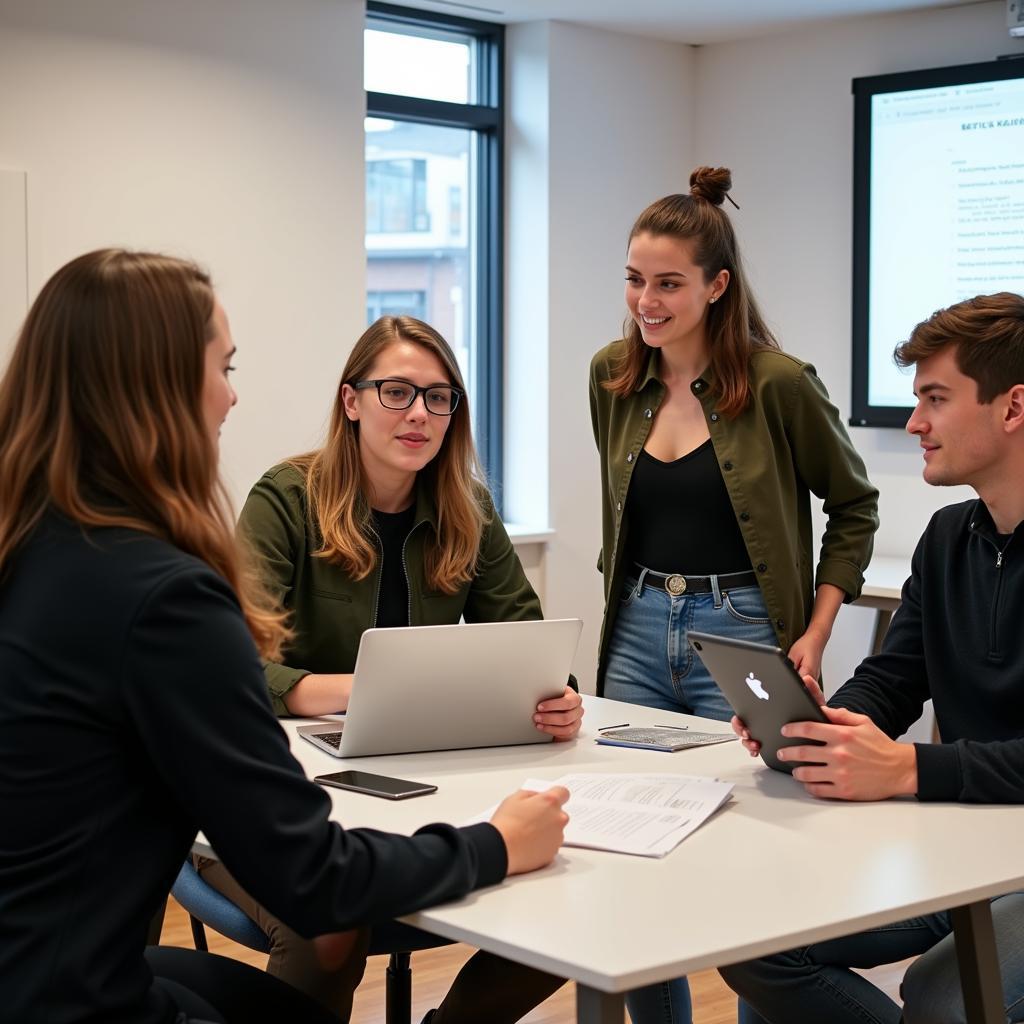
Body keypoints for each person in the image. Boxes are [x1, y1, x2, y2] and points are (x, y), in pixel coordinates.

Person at [0, 249, 570, 1024]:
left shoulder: (35, 545)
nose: (232, 397)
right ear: (157, 384)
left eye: (438, 398)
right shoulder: (165, 591)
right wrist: (496, 843)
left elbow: (530, 641)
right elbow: (312, 875)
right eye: (223, 366)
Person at [196, 313, 583, 1019]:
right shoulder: (286, 499)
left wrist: (556, 695)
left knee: (571, 882)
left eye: (439, 398)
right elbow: (225, 668)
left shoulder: (468, 506)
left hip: (426, 783)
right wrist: (325, 690)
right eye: (397, 392)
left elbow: (529, 638)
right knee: (331, 931)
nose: (420, 415)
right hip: (274, 792)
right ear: (352, 402)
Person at [588, 166, 879, 1024]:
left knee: (757, 863)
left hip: (744, 630)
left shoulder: (779, 381)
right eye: (636, 279)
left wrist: (818, 631)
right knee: (629, 852)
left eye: (669, 283)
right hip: (638, 629)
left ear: (717, 287)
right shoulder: (612, 375)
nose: (647, 300)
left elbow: (855, 504)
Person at [719, 292, 1024, 1024]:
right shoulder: (949, 536)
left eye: (935, 399)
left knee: (942, 1002)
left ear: (1013, 408)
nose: (914, 423)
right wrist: (820, 725)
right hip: (966, 835)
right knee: (758, 938)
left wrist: (911, 768)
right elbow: (896, 677)